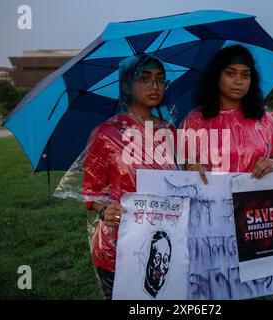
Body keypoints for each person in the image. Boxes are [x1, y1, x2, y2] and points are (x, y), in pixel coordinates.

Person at [82, 54, 178, 299]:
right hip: (119, 245)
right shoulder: (107, 133)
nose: (154, 86)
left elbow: (180, 180)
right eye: (144, 79)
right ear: (126, 85)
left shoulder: (170, 130)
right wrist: (105, 210)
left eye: (160, 79)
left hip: (164, 242)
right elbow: (91, 192)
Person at [181, 45, 273, 181]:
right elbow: (181, 163)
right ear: (217, 76)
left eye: (245, 75)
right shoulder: (194, 120)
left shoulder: (264, 119)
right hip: (211, 199)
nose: (239, 81)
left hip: (255, 198)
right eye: (230, 73)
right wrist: (190, 167)